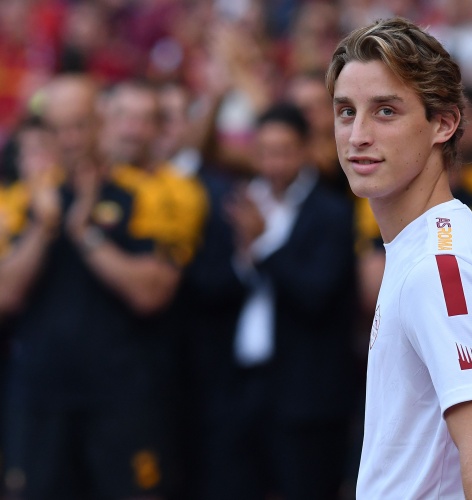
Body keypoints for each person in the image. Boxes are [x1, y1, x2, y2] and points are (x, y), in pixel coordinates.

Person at [326, 17, 472, 499]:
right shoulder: (433, 248)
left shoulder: (440, 267)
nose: (357, 135)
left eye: (385, 111)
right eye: (346, 112)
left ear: (443, 124)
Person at [0, 76, 207, 500]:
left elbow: (152, 294)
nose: (70, 139)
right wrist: (43, 227)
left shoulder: (146, 193)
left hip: (123, 397)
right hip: (40, 399)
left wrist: (86, 233)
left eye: (80, 124)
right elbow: (5, 296)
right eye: (58, 128)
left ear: (102, 122)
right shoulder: (21, 200)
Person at [221, 102, 358, 500]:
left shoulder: (332, 212)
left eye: (283, 151)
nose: (273, 163)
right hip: (243, 384)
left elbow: (316, 294)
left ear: (305, 150)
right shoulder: (240, 204)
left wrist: (262, 245)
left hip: (306, 394)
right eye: (264, 152)